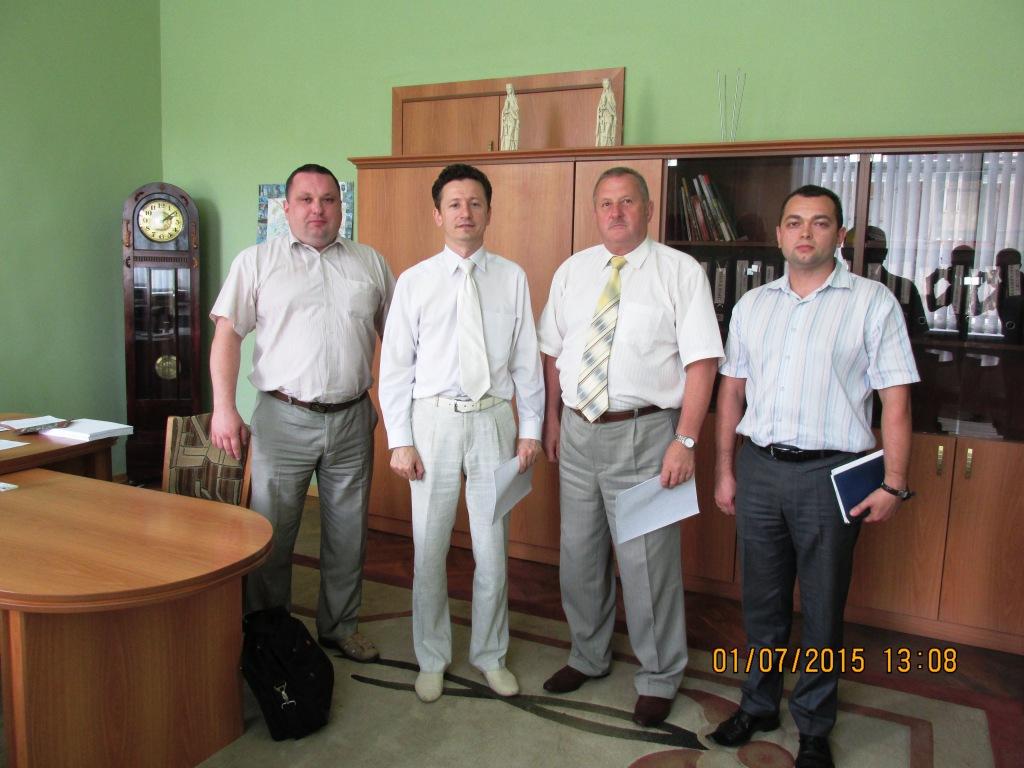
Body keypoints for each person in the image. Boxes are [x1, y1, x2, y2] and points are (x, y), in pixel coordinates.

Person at [710, 185, 919, 768]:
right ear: (779, 234)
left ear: (840, 235)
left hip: (831, 476)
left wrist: (894, 483)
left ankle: (814, 725)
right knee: (762, 602)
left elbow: (896, 401)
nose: (806, 233)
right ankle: (758, 705)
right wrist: (725, 469)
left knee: (823, 609)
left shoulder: (872, 303)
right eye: (795, 222)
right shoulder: (753, 305)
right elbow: (731, 393)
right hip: (759, 469)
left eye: (820, 223)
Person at [537, 166, 723, 727]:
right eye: (606, 203)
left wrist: (685, 439)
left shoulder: (679, 272)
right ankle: (587, 655)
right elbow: (553, 352)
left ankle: (660, 674)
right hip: (577, 431)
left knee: (647, 564)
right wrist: (551, 420)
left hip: (647, 434)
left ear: (647, 208)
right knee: (579, 555)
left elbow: (702, 362)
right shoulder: (572, 271)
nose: (616, 213)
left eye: (627, 202)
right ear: (595, 211)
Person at [210, 163, 395, 662]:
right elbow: (227, 335)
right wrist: (224, 408)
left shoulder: (370, 264)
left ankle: (339, 627)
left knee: (348, 533)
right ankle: (269, 632)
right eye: (307, 200)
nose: (318, 209)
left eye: (329, 199)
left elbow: (401, 341)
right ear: (287, 208)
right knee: (271, 531)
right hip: (282, 419)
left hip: (353, 418)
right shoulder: (257, 262)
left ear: (341, 207)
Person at [379, 163, 544, 703]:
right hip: (433, 422)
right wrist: (400, 439)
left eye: (475, 203)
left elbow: (527, 362)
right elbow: (395, 367)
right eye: (454, 204)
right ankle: (432, 656)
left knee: (492, 550)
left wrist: (531, 429)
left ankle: (490, 654)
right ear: (438, 215)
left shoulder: (511, 277)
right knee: (429, 548)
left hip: (494, 419)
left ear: (489, 212)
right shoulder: (415, 281)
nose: (465, 213)